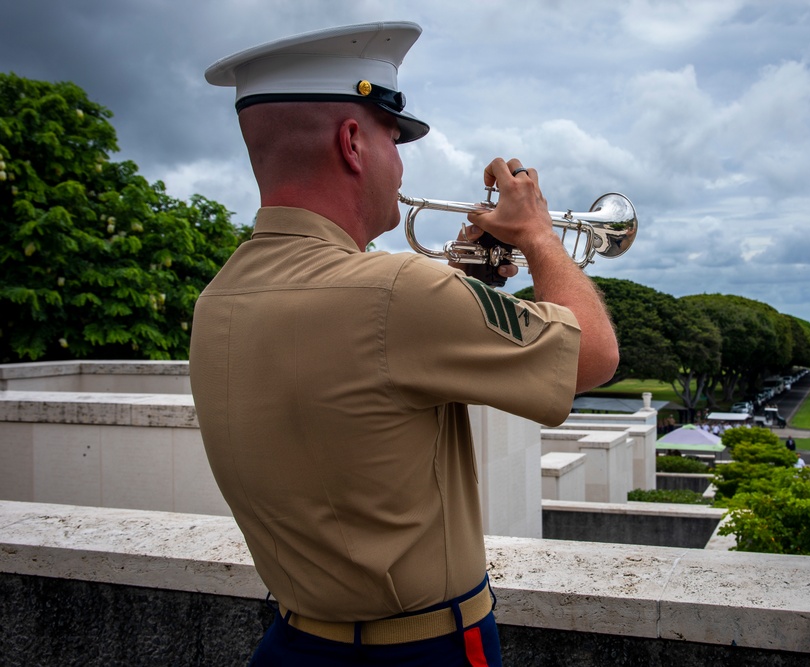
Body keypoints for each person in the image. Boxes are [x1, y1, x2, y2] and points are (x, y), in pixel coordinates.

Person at [189, 22, 619, 667]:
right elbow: (594, 356)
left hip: (290, 643)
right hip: (424, 650)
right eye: (397, 138)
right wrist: (538, 236)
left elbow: (362, 368)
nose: (401, 162)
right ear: (353, 142)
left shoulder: (217, 298)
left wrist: (469, 285)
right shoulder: (396, 290)